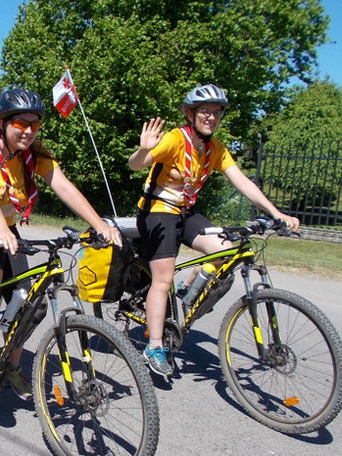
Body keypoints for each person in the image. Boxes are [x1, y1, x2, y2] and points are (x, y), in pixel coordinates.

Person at [0, 87, 122, 399]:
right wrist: (0, 229)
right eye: (21, 123)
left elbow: (64, 187)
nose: (28, 131)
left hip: (6, 227)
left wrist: (100, 225)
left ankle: (12, 364)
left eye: (35, 124)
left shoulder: (34, 154)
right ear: (1, 122)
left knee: (28, 297)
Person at [128, 84, 300, 377]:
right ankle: (154, 345)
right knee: (163, 278)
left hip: (186, 213)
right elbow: (136, 165)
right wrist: (144, 148)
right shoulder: (174, 139)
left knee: (228, 250)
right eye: (205, 111)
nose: (211, 117)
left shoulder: (215, 148)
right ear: (191, 114)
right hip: (157, 212)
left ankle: (188, 290)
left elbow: (242, 182)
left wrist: (276, 213)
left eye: (216, 112)